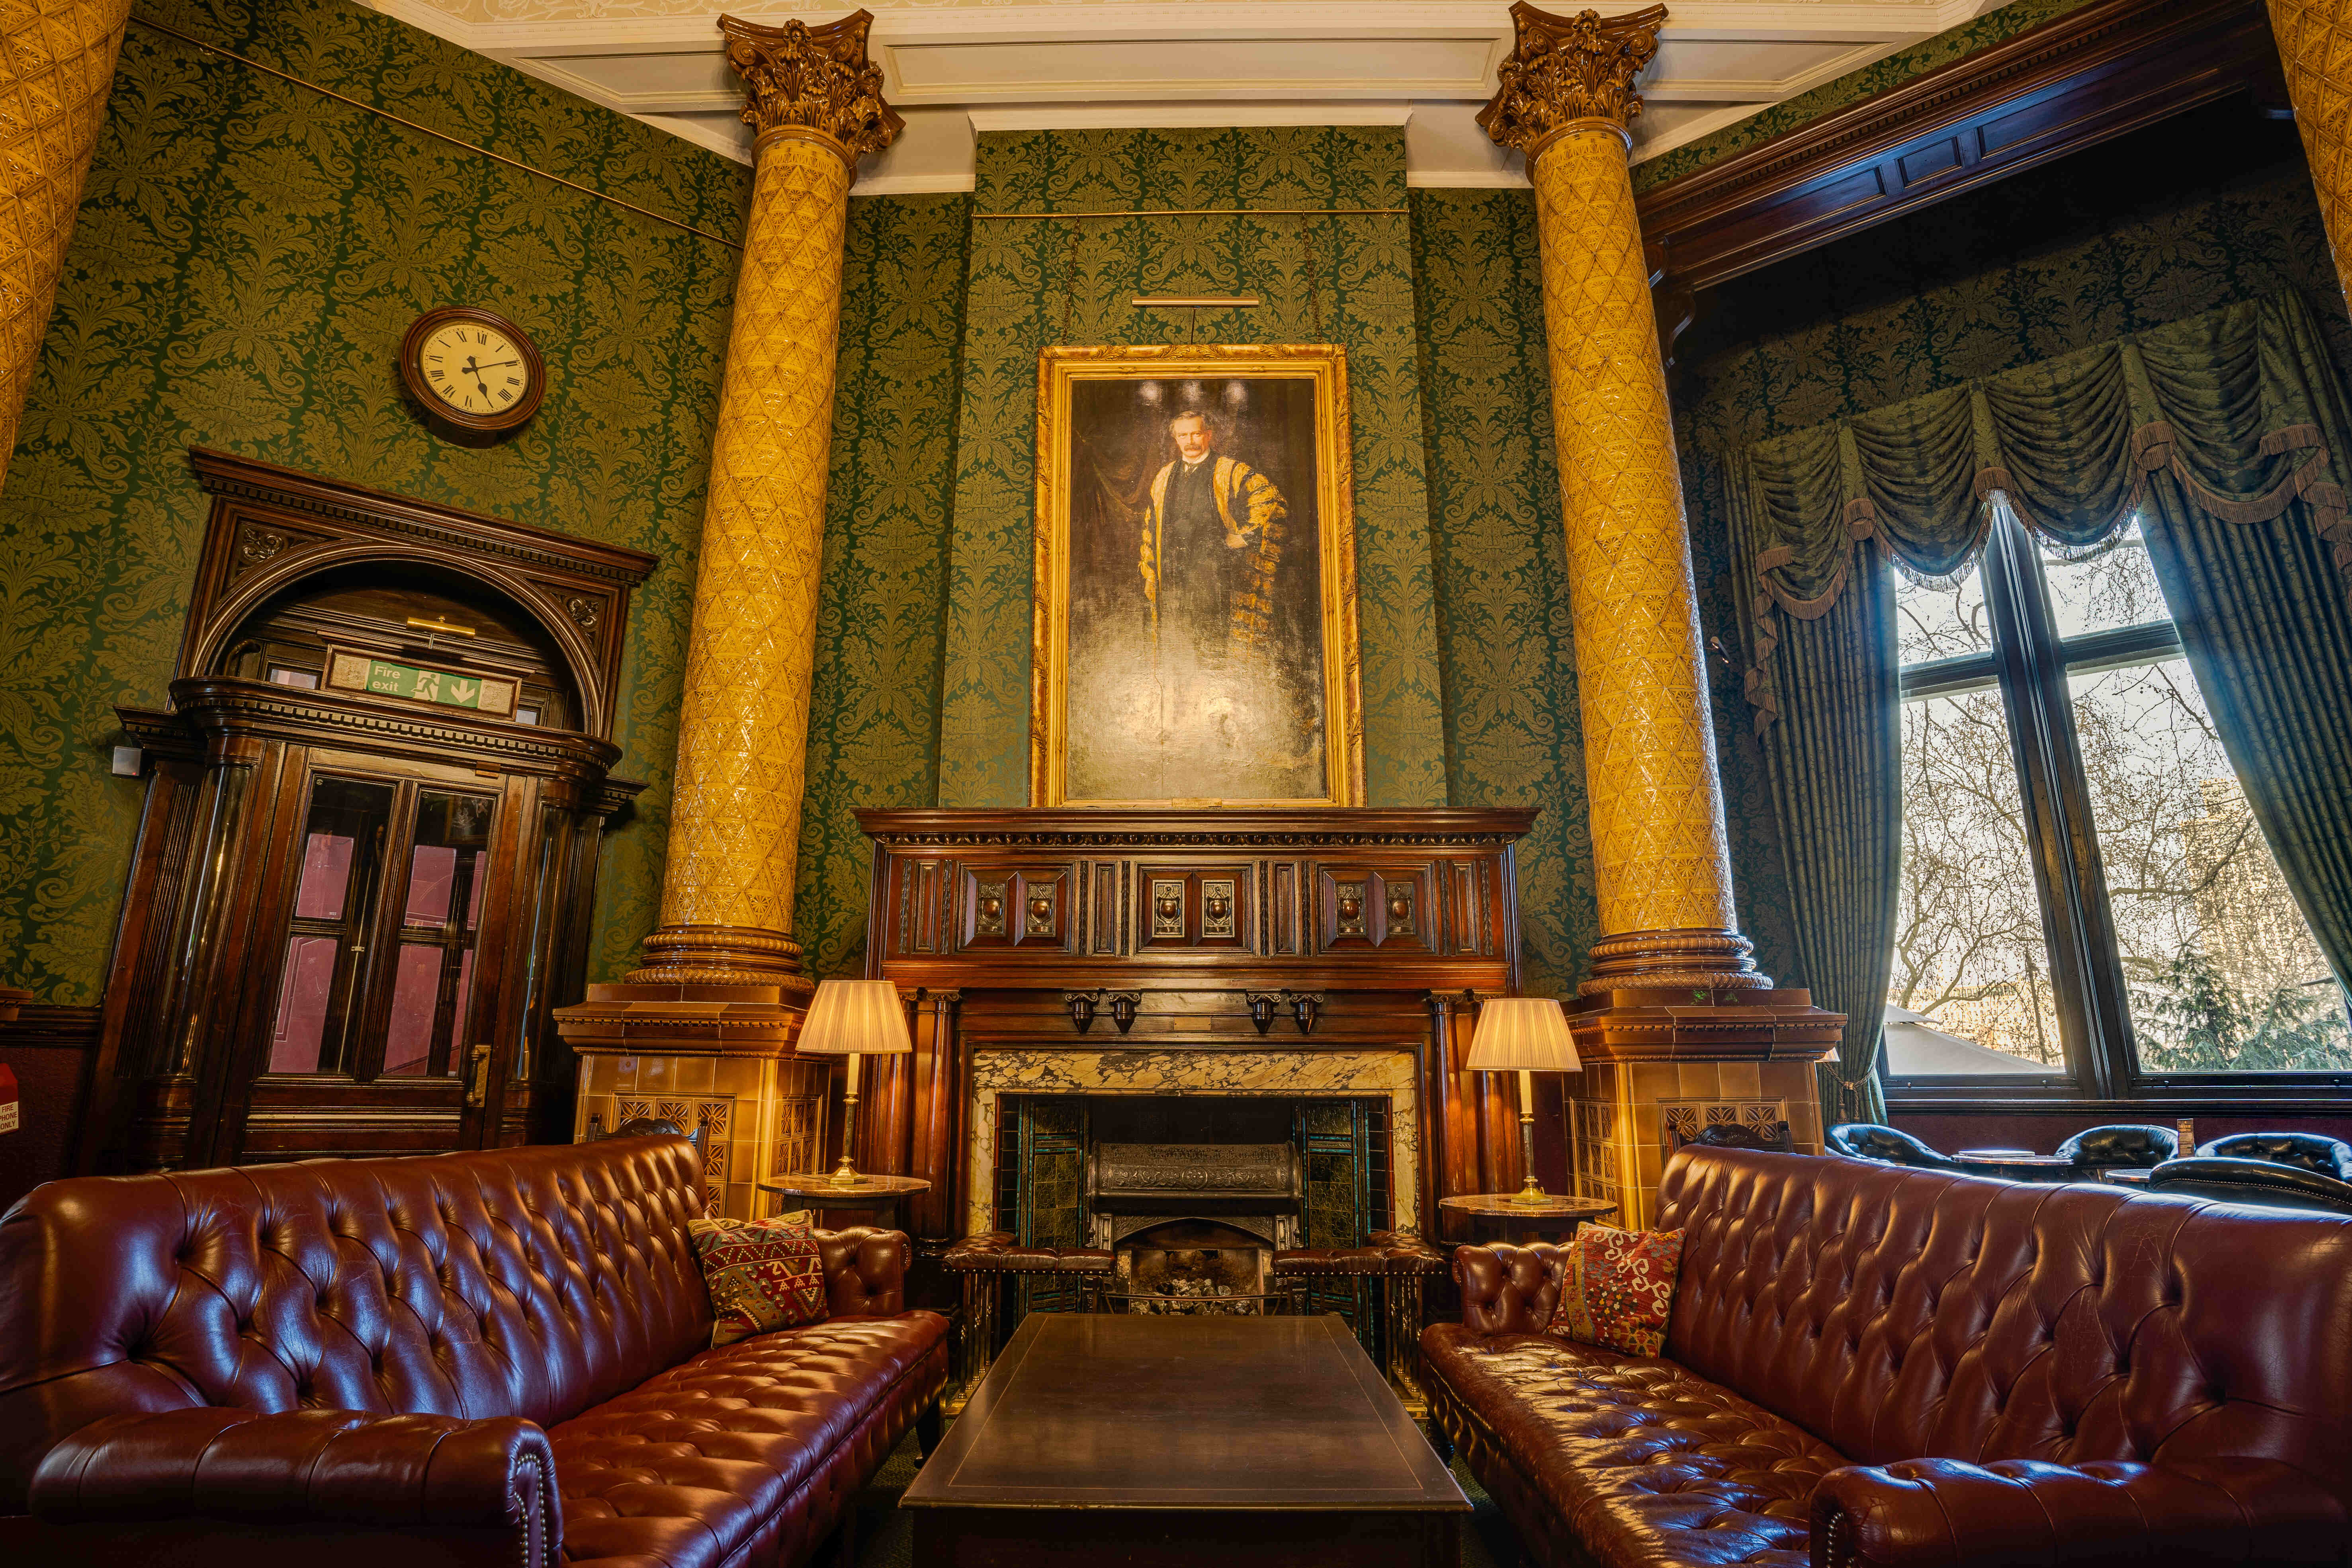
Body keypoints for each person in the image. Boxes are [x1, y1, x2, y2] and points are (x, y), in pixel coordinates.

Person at [1137, 407, 1288, 667]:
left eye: (1196, 434)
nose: (1190, 441)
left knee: (1212, 640)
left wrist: (1246, 538)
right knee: (1175, 639)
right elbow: (1151, 524)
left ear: (1208, 435)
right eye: (1183, 436)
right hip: (1172, 571)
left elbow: (1273, 504)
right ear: (1176, 439)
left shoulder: (1232, 470)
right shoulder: (1163, 476)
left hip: (1214, 572)